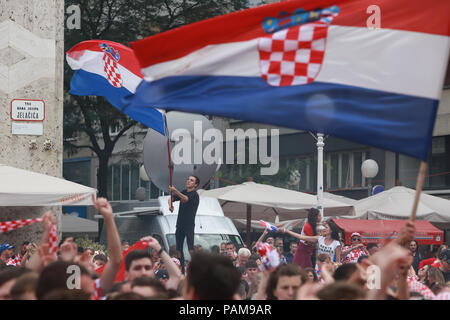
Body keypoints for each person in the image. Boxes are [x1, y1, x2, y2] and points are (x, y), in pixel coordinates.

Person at [168, 175, 200, 273]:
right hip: (180, 224)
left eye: (191, 180)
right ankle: (180, 269)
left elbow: (185, 199)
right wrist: (170, 205)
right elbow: (171, 198)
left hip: (189, 225)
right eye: (188, 179)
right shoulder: (183, 192)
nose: (188, 181)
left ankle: (198, 267)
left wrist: (174, 190)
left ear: (195, 184)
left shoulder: (194, 195)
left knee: (190, 249)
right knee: (178, 249)